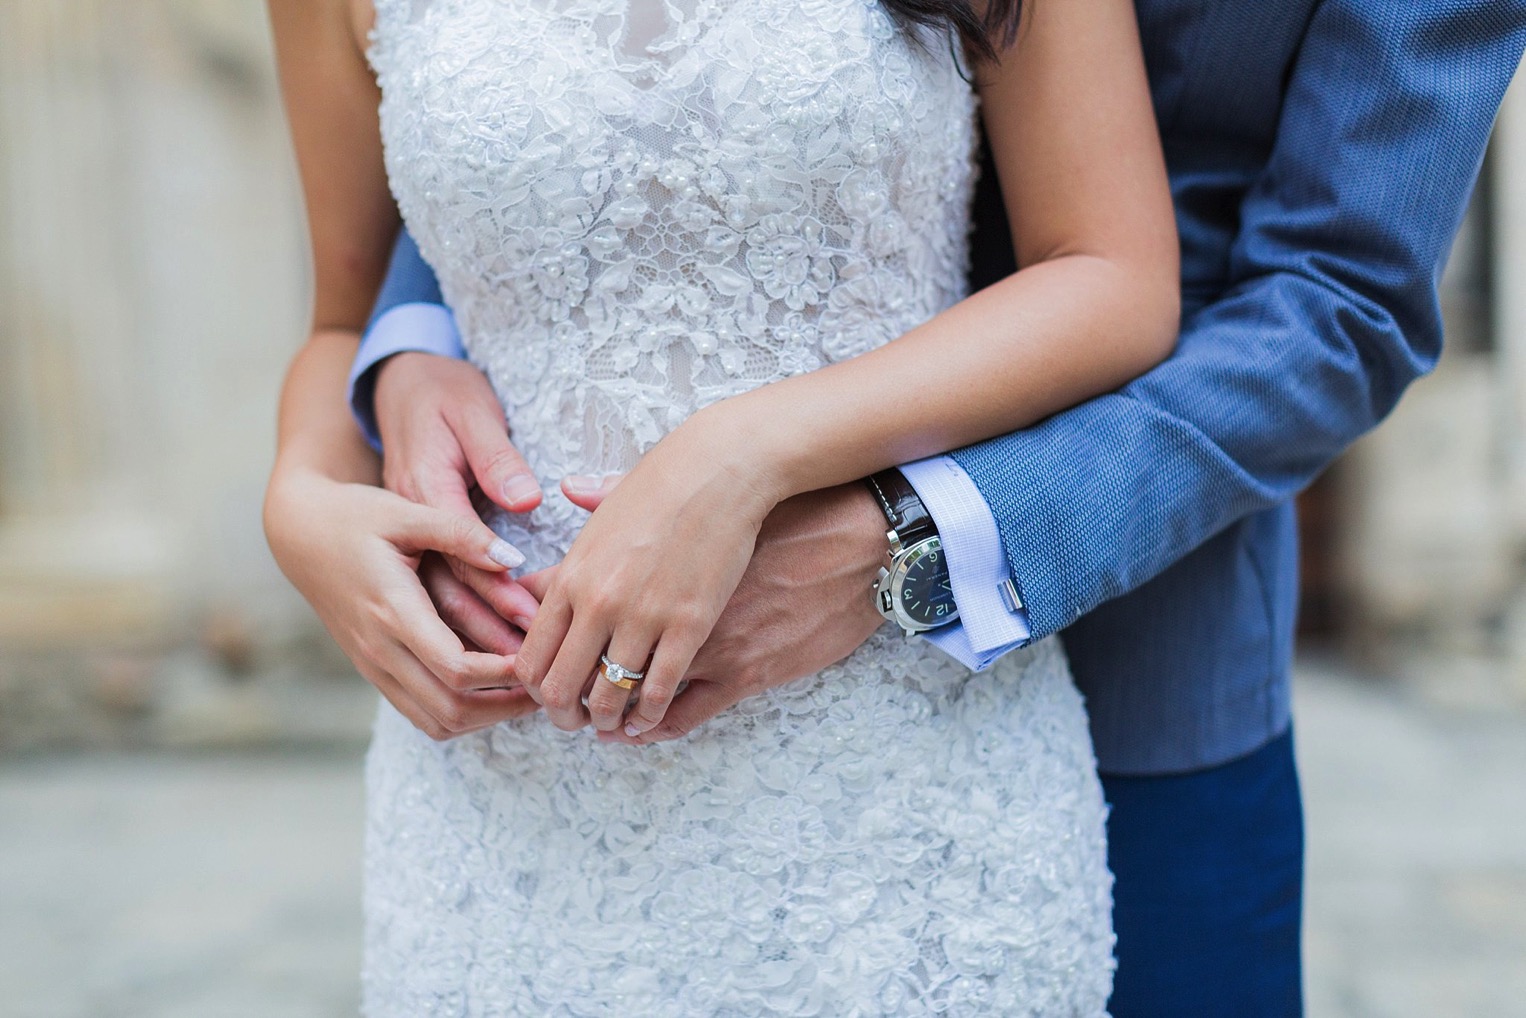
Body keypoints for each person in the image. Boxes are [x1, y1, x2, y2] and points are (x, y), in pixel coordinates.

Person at [328, 2, 1526, 1015]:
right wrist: (402, 352)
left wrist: (904, 539)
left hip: (1144, 647)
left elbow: (1342, 302)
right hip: (553, 725)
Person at [264, 0, 1185, 1012]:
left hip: (892, 783)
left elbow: (1110, 275)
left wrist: (742, 451)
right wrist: (300, 502)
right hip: (509, 806)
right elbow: (341, 323)